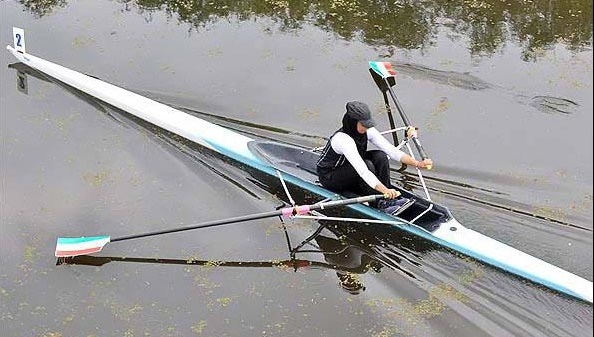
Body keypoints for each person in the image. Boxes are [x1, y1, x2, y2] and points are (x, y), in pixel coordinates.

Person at [316, 101, 432, 210]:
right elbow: (363, 171)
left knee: (380, 156)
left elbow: (391, 151)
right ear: (352, 122)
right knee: (368, 165)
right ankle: (378, 202)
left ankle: (389, 198)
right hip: (329, 177)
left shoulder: (367, 130)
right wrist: (384, 190)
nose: (367, 127)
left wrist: (417, 163)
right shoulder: (343, 139)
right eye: (364, 124)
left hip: (349, 169)